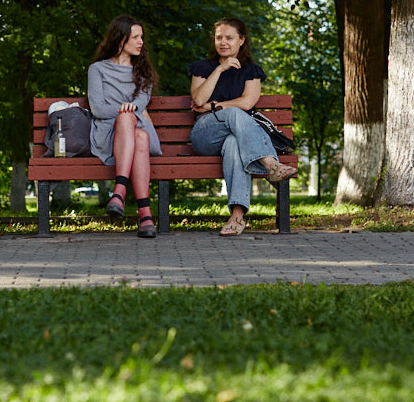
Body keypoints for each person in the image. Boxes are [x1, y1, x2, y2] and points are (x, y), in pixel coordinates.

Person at [189, 17, 297, 236]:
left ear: (241, 40)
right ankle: (270, 164)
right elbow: (198, 99)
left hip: (238, 138)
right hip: (205, 135)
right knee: (235, 113)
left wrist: (213, 106)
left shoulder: (251, 70)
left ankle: (237, 216)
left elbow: (247, 103)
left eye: (229, 38)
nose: (223, 42)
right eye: (219, 37)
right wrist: (219, 69)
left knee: (233, 143)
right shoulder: (202, 68)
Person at [87, 15, 163, 238]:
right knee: (132, 126)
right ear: (121, 39)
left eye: (142, 37)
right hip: (109, 135)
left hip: (140, 128)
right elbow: (98, 109)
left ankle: (119, 191)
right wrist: (124, 111)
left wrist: (127, 112)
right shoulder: (97, 69)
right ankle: (145, 214)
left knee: (131, 121)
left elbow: (140, 104)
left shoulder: (144, 72)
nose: (141, 42)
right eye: (136, 37)